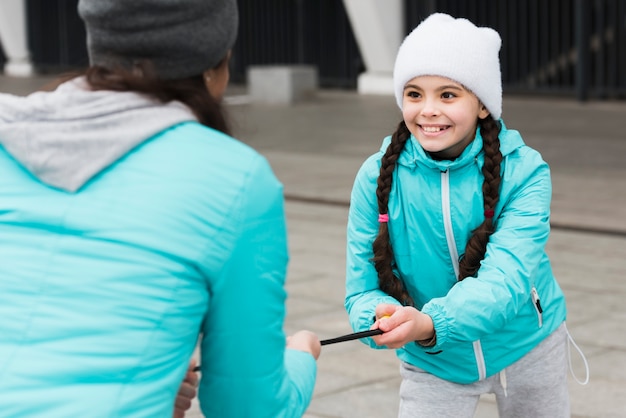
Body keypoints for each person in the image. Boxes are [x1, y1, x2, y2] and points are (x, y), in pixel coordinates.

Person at [0, 0, 320, 417]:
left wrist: (151, 374)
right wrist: (299, 355)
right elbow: (249, 407)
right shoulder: (234, 176)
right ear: (214, 66)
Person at [344, 13, 583, 417]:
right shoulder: (375, 176)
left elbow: (505, 280)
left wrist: (430, 323)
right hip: (434, 358)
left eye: (448, 95)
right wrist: (380, 316)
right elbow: (360, 288)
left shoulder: (524, 171)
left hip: (526, 345)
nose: (428, 110)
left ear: (483, 105)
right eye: (415, 94)